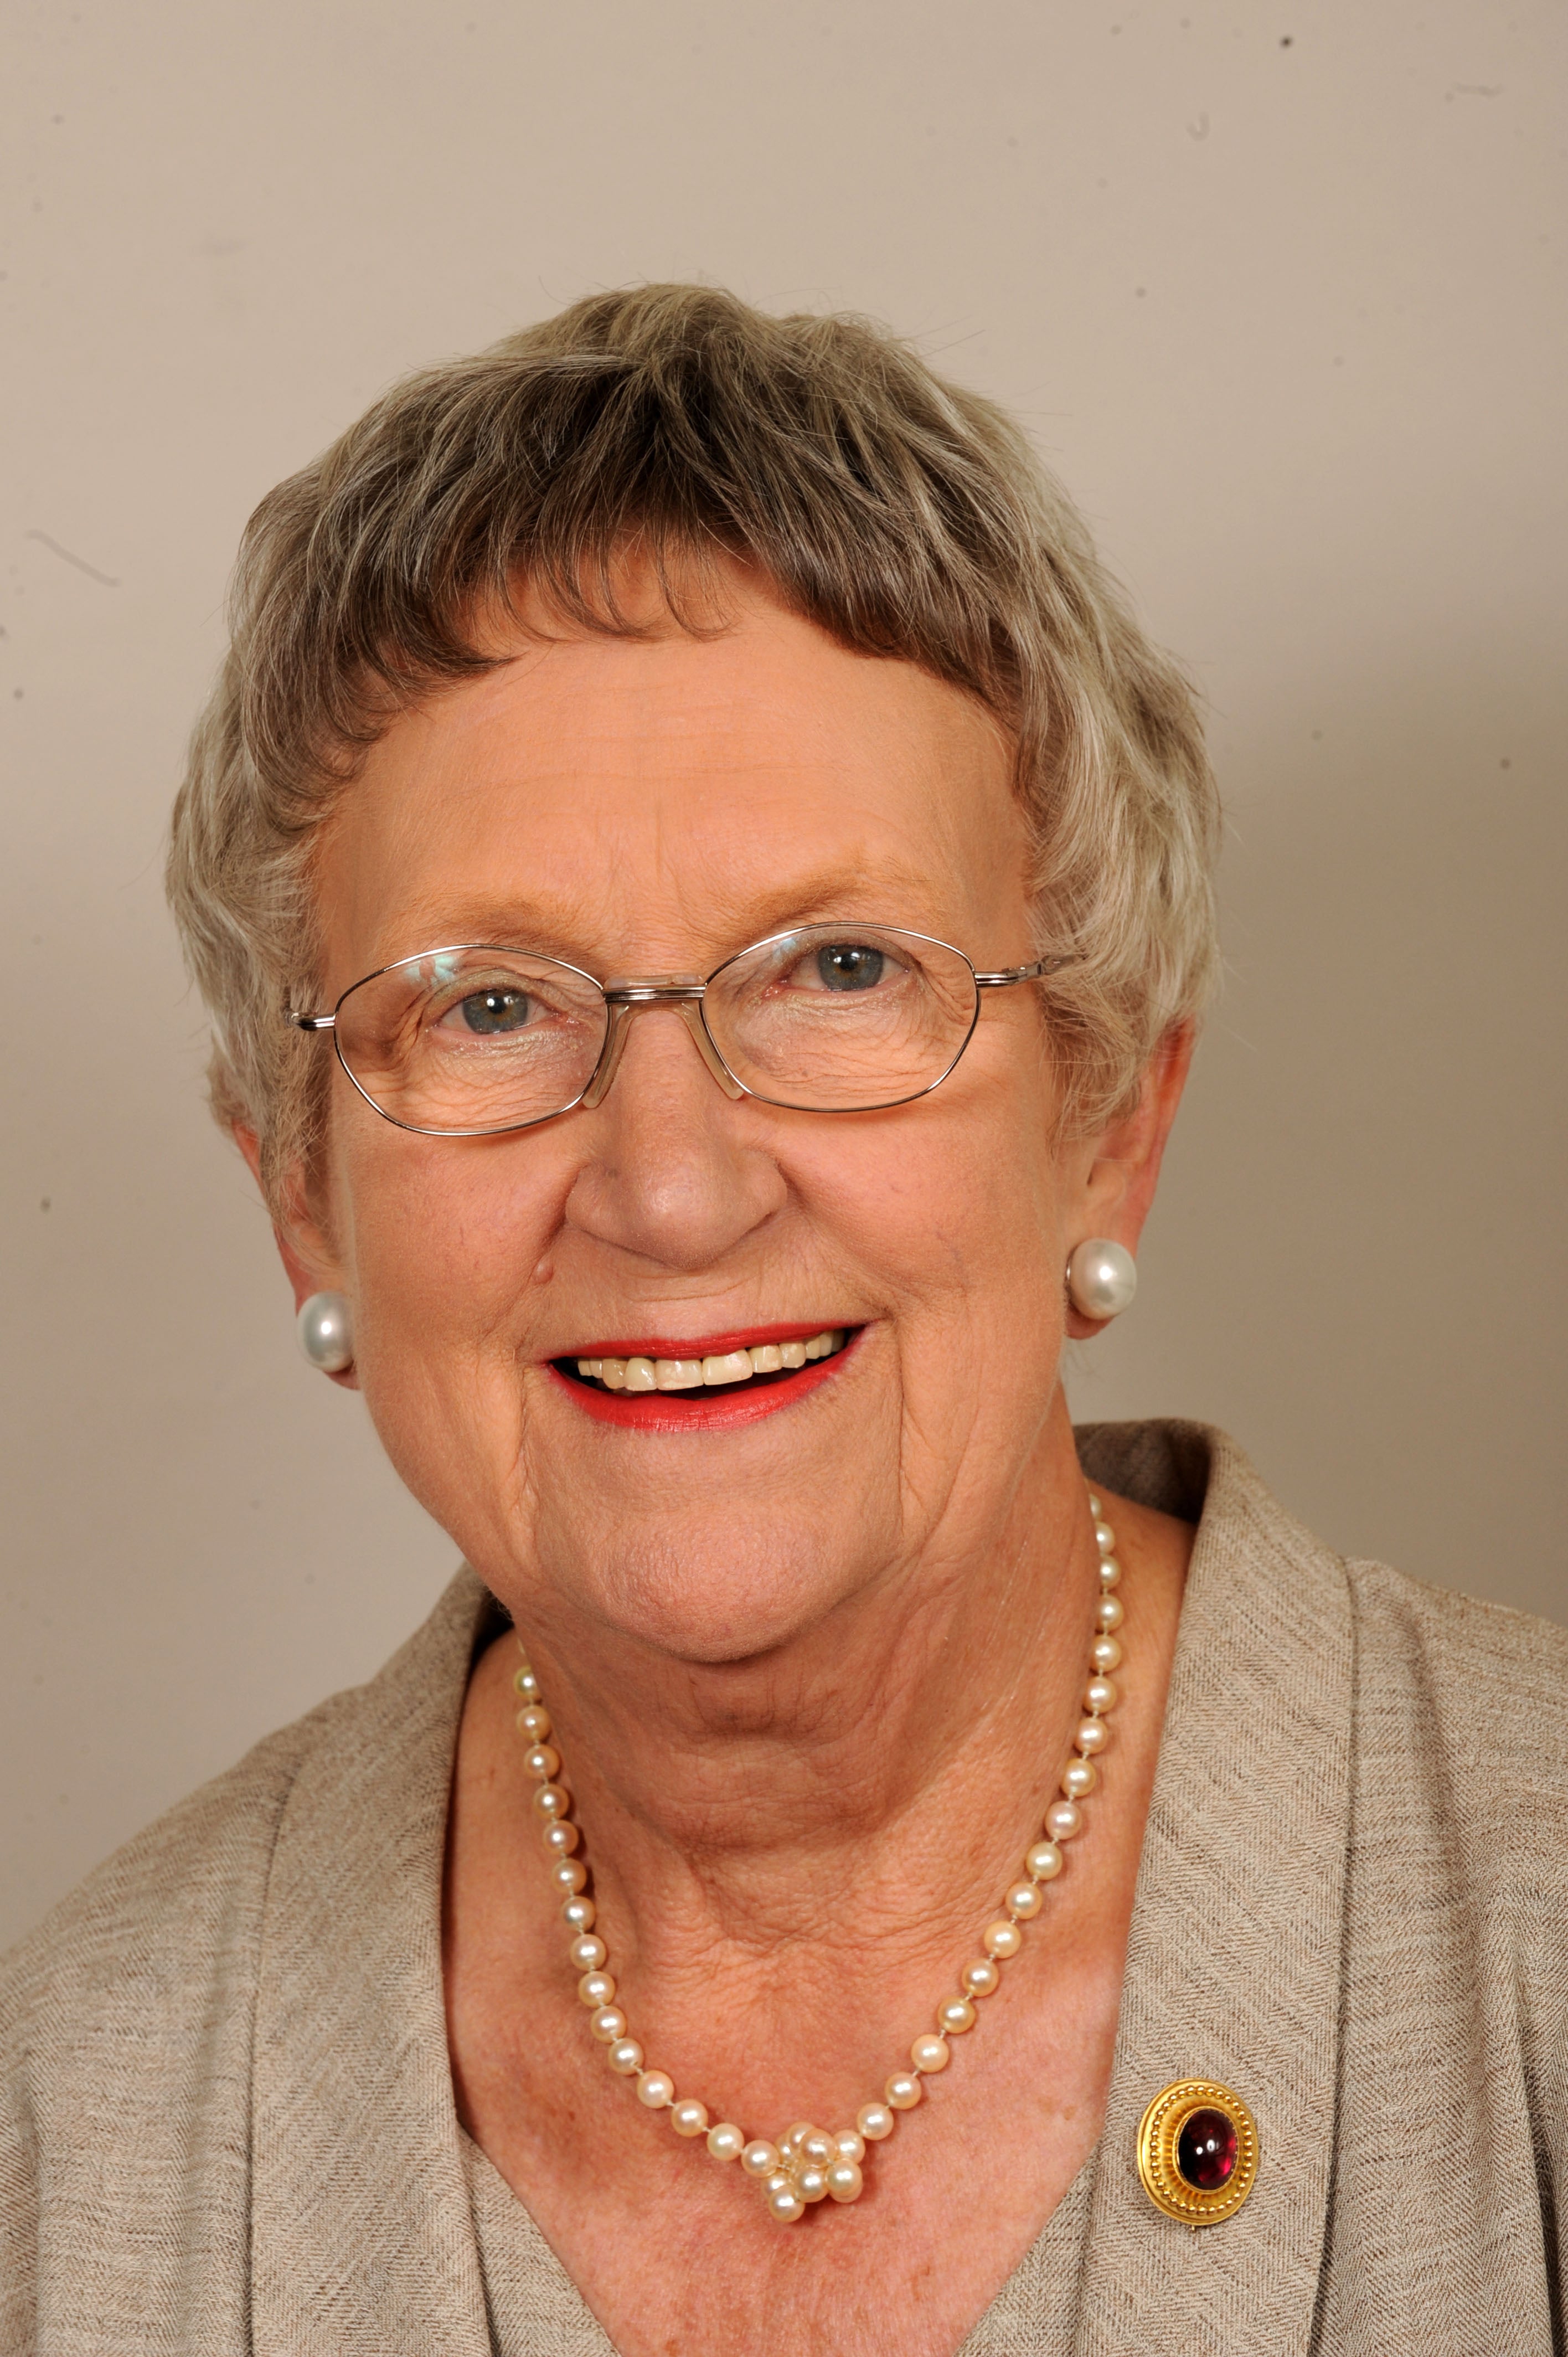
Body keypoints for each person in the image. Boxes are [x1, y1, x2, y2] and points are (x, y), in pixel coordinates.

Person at [2, 285, 1565, 2357]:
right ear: (302, 1199)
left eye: (839, 972)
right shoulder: (84, 2104)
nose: (672, 1183)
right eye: (488, 1004)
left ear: (1106, 1121)